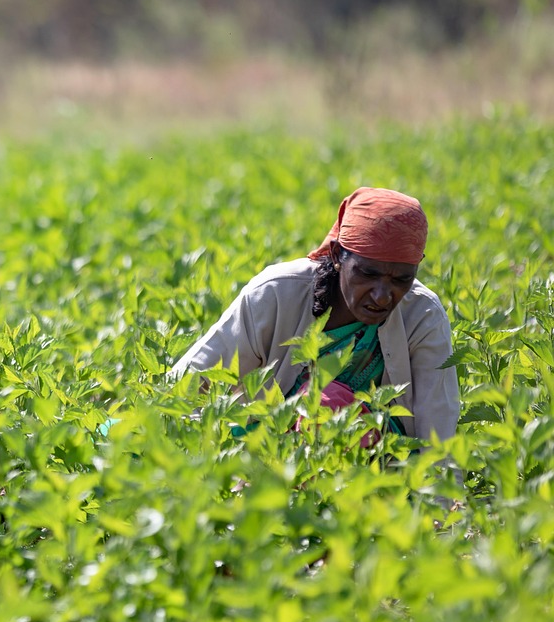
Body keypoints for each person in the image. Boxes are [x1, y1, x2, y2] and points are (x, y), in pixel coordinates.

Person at [171, 186, 460, 442]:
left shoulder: (423, 315)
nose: (382, 295)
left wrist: (442, 501)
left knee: (327, 407)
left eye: (401, 280)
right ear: (336, 255)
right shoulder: (276, 294)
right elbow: (187, 385)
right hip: (267, 452)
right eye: (368, 273)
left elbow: (438, 426)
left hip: (381, 464)